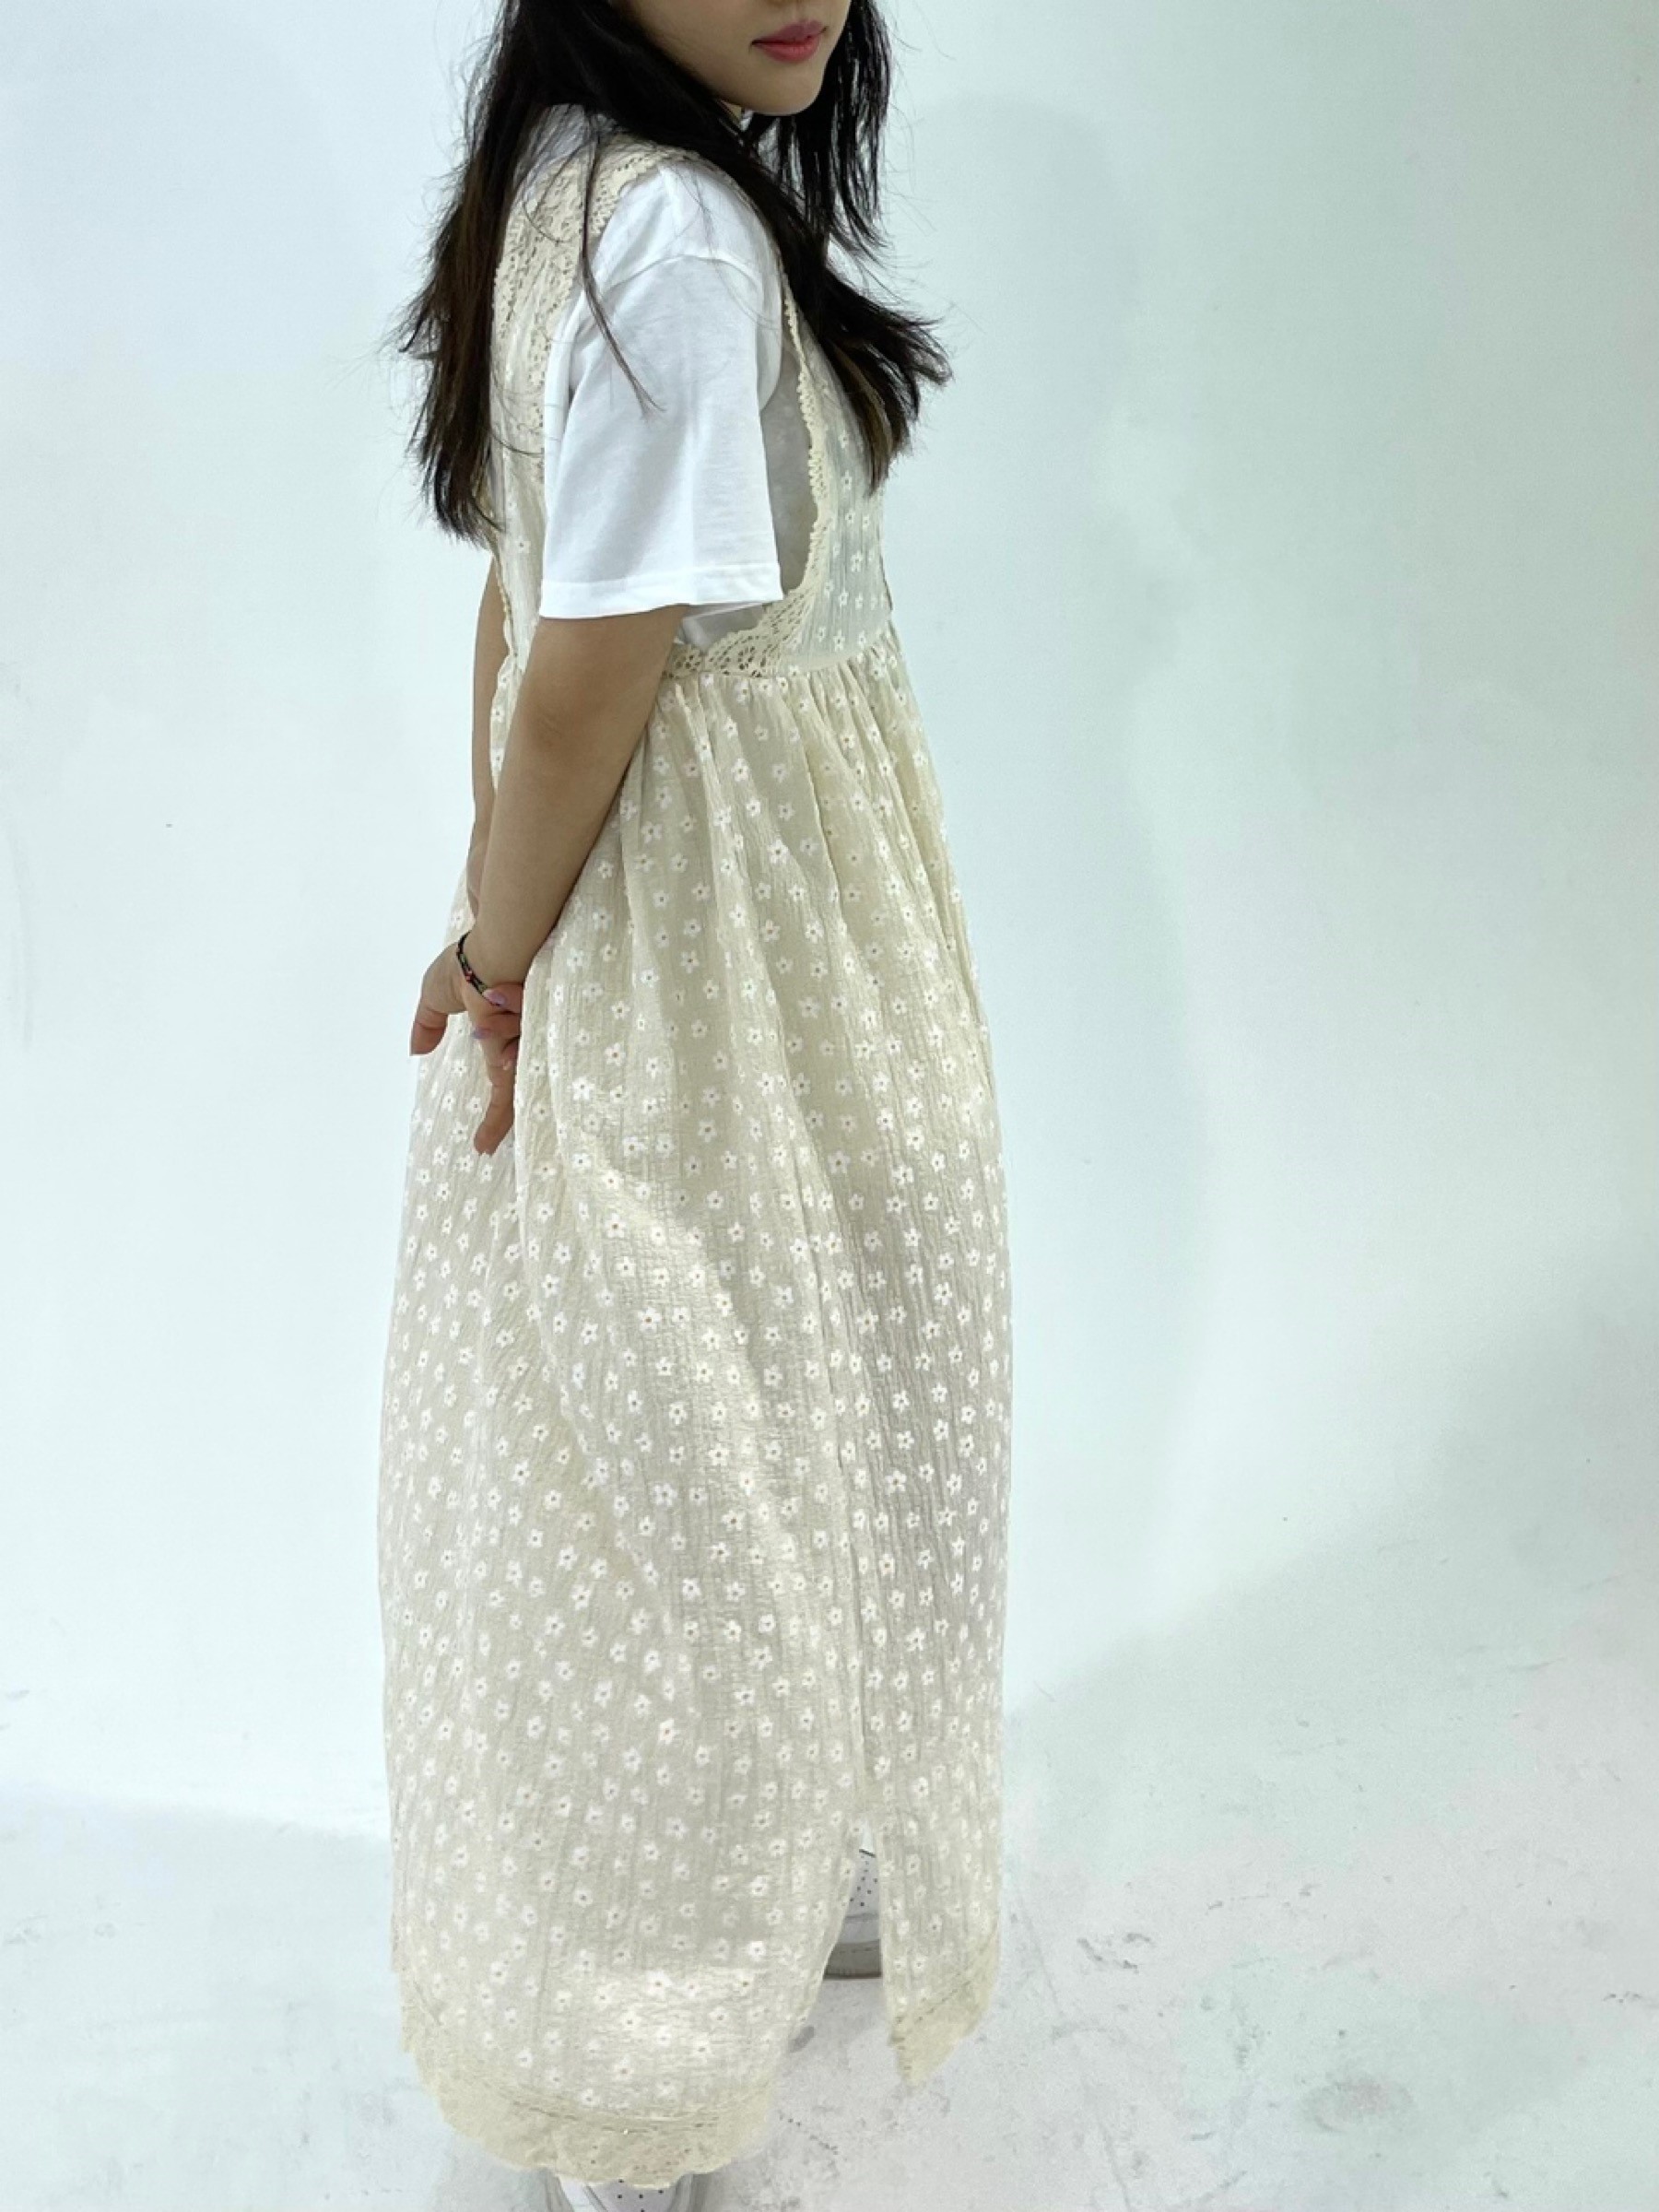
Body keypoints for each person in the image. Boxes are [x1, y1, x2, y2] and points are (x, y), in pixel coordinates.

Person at [376, 5, 1014, 2207]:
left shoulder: (574, 189)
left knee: (753, 1401)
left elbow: (518, 605)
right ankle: (639, 2033)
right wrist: (498, 954)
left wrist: (503, 899)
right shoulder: (670, 241)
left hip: (722, 933)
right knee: (692, 1471)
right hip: (733, 947)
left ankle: (759, 1876)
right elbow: (583, 665)